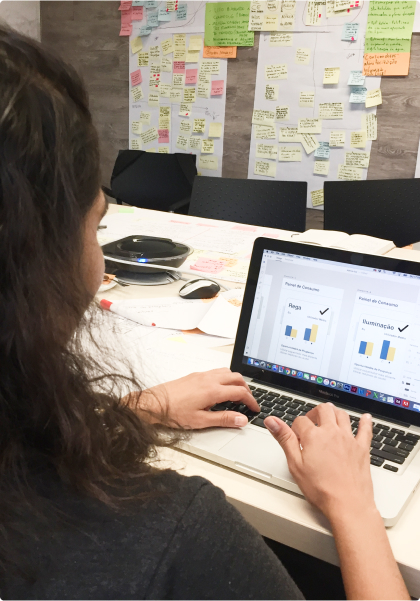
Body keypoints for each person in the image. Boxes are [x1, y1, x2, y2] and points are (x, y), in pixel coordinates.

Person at [0, 26, 409, 600]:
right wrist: (355, 505)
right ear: (40, 264)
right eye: (98, 224)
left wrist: (135, 408)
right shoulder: (168, 532)